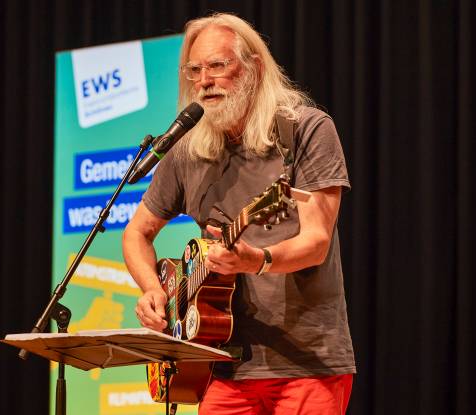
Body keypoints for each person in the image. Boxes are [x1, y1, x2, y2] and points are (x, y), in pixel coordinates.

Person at [122, 12, 356, 415]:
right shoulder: (187, 151)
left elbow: (316, 242)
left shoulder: (304, 131)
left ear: (254, 67)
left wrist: (258, 260)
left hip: (306, 363)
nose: (204, 81)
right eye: (194, 70)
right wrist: (153, 291)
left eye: (218, 66)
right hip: (219, 365)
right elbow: (136, 234)